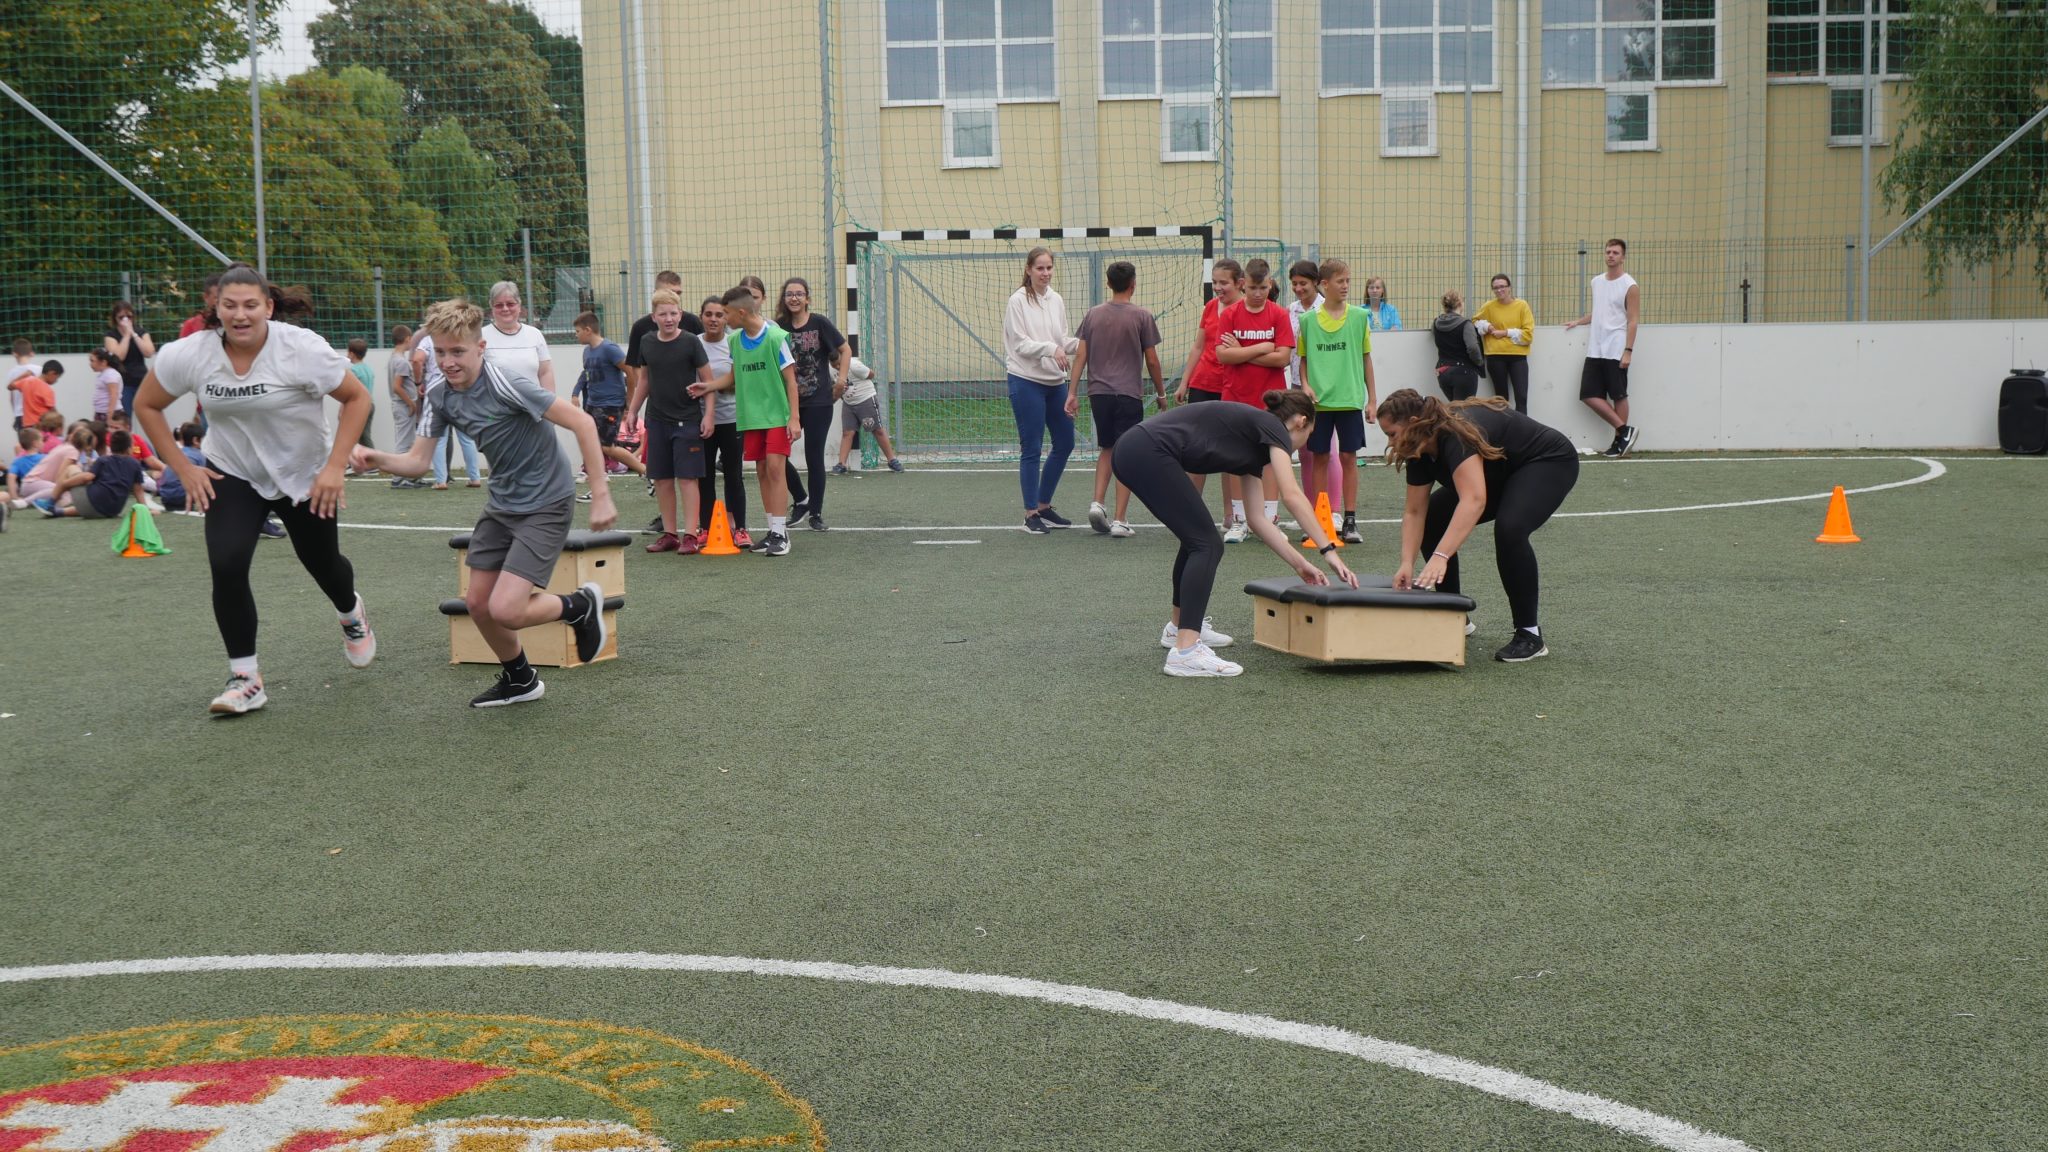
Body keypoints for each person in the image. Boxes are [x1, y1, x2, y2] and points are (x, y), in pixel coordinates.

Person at [134, 263, 378, 716]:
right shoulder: (190, 354)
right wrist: (183, 468)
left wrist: (334, 467)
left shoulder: (301, 348)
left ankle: (351, 613)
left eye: (250, 305)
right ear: (216, 306)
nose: (240, 315)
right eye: (230, 305)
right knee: (226, 563)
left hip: (303, 473)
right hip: (234, 472)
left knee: (323, 564)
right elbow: (146, 404)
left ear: (268, 306)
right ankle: (245, 679)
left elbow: (357, 398)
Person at [353, 297, 616, 707]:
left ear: (480, 347)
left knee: (507, 609)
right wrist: (377, 458)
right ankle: (520, 680)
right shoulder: (439, 394)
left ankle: (578, 606)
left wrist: (600, 495)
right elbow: (418, 462)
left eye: (457, 351)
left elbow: (582, 422)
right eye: (440, 352)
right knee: (477, 603)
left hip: (547, 500)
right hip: (502, 503)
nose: (448, 362)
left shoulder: (506, 382)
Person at [1112, 390, 1358, 678]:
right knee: (1207, 544)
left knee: (1196, 541)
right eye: (1310, 434)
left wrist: (1300, 564)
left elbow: (1258, 520)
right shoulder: (1274, 428)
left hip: (1137, 450)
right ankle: (1186, 651)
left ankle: (1179, 629)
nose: (1304, 443)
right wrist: (1328, 551)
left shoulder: (1255, 441)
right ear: (1301, 422)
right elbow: (1291, 494)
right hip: (1145, 450)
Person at [1378, 389, 1580, 663]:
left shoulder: (1456, 433)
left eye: (1392, 434)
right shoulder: (1418, 447)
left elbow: (1473, 500)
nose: (1390, 443)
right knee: (1433, 519)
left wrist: (1440, 556)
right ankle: (1454, 617)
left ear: (1414, 423)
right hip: (1501, 473)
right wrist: (1406, 563)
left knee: (1510, 529)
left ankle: (1529, 635)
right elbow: (1415, 513)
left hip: (1546, 461)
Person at [692, 284, 800, 556]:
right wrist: (709, 386)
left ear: (740, 313)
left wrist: (794, 418)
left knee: (775, 469)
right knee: (762, 471)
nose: (723, 319)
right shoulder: (735, 341)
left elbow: (791, 381)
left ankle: (781, 534)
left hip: (776, 415)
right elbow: (733, 376)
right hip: (751, 417)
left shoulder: (775, 337)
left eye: (726, 313)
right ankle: (773, 530)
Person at [1066, 260, 1164, 539]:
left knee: (1107, 448)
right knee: (1127, 454)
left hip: (1099, 394)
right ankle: (1120, 519)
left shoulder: (1093, 315)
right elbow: (1152, 360)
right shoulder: (1142, 316)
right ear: (1133, 284)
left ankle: (1097, 503)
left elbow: (1081, 355)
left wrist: (1072, 392)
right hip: (1128, 394)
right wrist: (1161, 393)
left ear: (1108, 283)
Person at [1214, 259, 1297, 542]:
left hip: (1272, 401)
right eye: (1252, 288)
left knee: (1271, 459)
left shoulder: (1279, 314)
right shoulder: (1230, 314)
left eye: (1263, 287)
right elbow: (1224, 355)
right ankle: (1240, 520)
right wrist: (1262, 347)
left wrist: (1243, 351)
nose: (1258, 293)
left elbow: (1282, 358)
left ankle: (1270, 518)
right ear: (1243, 285)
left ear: (1270, 284)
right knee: (1236, 459)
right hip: (1235, 398)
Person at [623, 290, 711, 554]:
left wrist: (709, 415)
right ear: (654, 317)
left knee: (687, 479)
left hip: (688, 420)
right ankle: (670, 534)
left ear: (680, 314)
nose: (669, 318)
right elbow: (644, 380)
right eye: (663, 314)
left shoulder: (691, 342)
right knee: (661, 479)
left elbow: (708, 382)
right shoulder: (647, 342)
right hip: (657, 421)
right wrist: (632, 411)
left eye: (673, 313)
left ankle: (691, 535)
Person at [1297, 259, 1376, 544]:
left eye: (1347, 281)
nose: (1345, 286)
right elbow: (1303, 361)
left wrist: (1372, 400)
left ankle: (1350, 519)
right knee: (1319, 457)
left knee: (1348, 458)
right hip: (1319, 404)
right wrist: (1306, 385)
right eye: (1340, 281)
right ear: (1324, 284)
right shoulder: (1308, 321)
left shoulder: (1359, 317)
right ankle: (1321, 519)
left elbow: (1366, 359)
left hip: (1350, 400)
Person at [1003, 247, 1079, 534]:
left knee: (1065, 442)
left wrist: (1086, 342)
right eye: (1040, 268)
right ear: (1028, 270)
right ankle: (1030, 514)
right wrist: (1051, 349)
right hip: (1026, 381)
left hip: (1055, 382)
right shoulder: (1017, 301)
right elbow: (1020, 344)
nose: (1045, 273)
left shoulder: (1056, 299)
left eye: (1049, 268)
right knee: (1032, 447)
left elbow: (1061, 339)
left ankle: (1044, 506)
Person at [1173, 258, 1247, 526]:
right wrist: (1185, 381)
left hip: (1231, 386)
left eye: (1223, 283)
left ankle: (1232, 514)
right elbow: (1198, 346)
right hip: (1203, 384)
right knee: (1197, 450)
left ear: (1240, 283)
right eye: (1215, 282)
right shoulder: (1210, 307)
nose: (1218, 287)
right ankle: (1190, 514)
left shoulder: (1247, 310)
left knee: (1230, 454)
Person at [775, 277, 847, 531]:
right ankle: (801, 500)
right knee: (776, 454)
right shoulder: (779, 327)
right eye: (789, 294)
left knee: (814, 457)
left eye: (799, 294)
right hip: (787, 402)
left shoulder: (820, 323)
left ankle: (815, 513)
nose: (794, 298)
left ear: (807, 298)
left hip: (818, 401)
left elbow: (845, 350)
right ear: (784, 298)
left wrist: (841, 381)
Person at [1562, 238, 1641, 456]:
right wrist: (1579, 321)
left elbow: (1633, 320)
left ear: (1623, 257)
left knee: (1618, 395)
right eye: (1608, 252)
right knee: (1588, 394)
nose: (1611, 256)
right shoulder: (1596, 282)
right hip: (1595, 348)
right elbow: (1600, 311)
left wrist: (1628, 351)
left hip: (1616, 348)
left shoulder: (1630, 285)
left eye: (1615, 252)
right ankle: (1625, 431)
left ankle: (1619, 443)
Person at [694, 296, 750, 548]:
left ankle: (741, 529)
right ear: (701, 317)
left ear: (727, 318)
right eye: (709, 314)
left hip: (731, 419)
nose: (714, 319)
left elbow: (741, 380)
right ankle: (706, 528)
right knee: (704, 476)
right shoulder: (693, 343)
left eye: (719, 314)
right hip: (701, 421)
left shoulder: (734, 343)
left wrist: (725, 386)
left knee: (733, 475)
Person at [571, 311, 646, 486]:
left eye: (577, 331)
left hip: (611, 405)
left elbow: (630, 373)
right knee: (589, 439)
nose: (576, 335)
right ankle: (596, 473)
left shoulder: (609, 349)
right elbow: (586, 375)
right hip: (592, 404)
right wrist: (576, 394)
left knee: (607, 446)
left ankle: (644, 470)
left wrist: (629, 401)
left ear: (588, 330)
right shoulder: (587, 352)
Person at [412, 329, 483, 488]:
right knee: (467, 438)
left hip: (436, 389)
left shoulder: (429, 340)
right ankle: (475, 477)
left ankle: (441, 480)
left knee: (439, 439)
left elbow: (417, 360)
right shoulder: (460, 338)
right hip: (461, 388)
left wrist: (418, 382)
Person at [40, 428, 144, 520]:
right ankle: (58, 512)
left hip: (91, 504)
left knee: (71, 468)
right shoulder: (135, 464)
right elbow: (138, 490)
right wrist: (145, 509)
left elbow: (88, 477)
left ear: (111, 447)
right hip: (113, 510)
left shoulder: (104, 460)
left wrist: (64, 484)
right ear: (129, 449)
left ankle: (50, 503)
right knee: (96, 504)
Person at [1474, 274, 1535, 413]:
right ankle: (1504, 425)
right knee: (1501, 399)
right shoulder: (1488, 306)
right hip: (1495, 356)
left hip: (1518, 357)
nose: (1499, 290)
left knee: (1521, 397)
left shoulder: (1522, 305)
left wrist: (1505, 333)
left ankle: (1522, 426)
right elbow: (1475, 321)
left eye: (1502, 286)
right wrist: (1488, 326)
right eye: (1495, 288)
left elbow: (1528, 335)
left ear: (1509, 287)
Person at [833, 357, 903, 476]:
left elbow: (871, 374)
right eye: (834, 365)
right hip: (849, 404)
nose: (837, 367)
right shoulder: (830, 370)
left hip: (865, 400)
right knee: (847, 433)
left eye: (839, 364)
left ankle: (892, 460)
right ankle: (841, 464)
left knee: (877, 430)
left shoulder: (854, 365)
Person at [483, 281, 556, 393]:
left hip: (532, 403)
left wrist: (550, 401)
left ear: (519, 306)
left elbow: (545, 372)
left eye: (510, 304)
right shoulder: (481, 336)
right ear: (491, 307)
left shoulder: (535, 334)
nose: (505, 308)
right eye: (499, 305)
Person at [1431, 290, 1485, 402]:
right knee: (1465, 408)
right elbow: (1473, 348)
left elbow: (1435, 334)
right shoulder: (1465, 324)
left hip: (1442, 372)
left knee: (1454, 407)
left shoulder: (1436, 323)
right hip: (1463, 372)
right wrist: (1479, 362)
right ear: (1460, 303)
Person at [387, 324, 423, 487]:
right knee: (403, 442)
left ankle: (408, 476)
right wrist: (410, 403)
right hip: (403, 406)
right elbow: (397, 386)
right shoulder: (401, 361)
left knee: (408, 441)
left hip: (400, 405)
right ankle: (398, 478)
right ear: (408, 339)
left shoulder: (393, 357)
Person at [104, 301, 156, 415]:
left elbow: (149, 352)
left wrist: (134, 334)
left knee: (147, 414)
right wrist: (127, 335)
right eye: (121, 317)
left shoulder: (141, 332)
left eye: (129, 317)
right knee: (125, 417)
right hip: (123, 382)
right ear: (115, 318)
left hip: (142, 380)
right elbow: (119, 356)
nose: (125, 320)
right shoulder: (111, 335)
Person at [155, 421, 206, 513]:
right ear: (195, 440)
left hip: (165, 495)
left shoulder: (176, 453)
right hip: (182, 496)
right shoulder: (199, 455)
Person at [345, 339, 377, 455]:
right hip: (370, 405)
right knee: (365, 434)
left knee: (355, 435)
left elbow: (349, 391)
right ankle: (367, 459)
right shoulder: (368, 369)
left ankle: (370, 459)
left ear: (351, 354)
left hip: (359, 406)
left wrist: (343, 409)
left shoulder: (353, 370)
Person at [9, 358, 56, 430]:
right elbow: (51, 408)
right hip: (40, 423)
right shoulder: (47, 389)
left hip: (26, 422)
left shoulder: (26, 382)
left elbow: (10, 387)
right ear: (51, 373)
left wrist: (24, 376)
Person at [7, 428, 44, 503]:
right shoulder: (45, 458)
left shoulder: (17, 461)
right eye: (41, 440)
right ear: (35, 443)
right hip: (43, 489)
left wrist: (14, 497)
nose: (43, 443)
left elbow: (11, 477)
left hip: (26, 491)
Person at [179, 273, 222, 338]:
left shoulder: (233, 324)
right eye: (217, 297)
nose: (221, 302)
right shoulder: (191, 325)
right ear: (205, 297)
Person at [7, 339, 34, 430]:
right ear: (31, 353)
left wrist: (15, 415)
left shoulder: (12, 373)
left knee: (25, 439)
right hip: (36, 413)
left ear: (14, 354)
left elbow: (12, 398)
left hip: (20, 414)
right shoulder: (39, 369)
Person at [88, 348, 122, 420]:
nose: (90, 364)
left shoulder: (110, 374)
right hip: (101, 411)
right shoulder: (104, 374)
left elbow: (113, 394)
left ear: (103, 362)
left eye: (92, 361)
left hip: (109, 413)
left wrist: (110, 414)